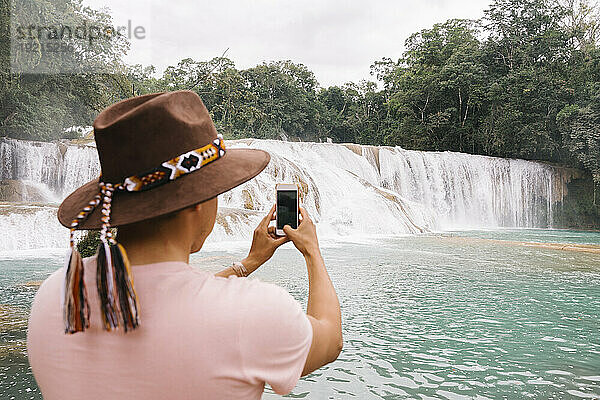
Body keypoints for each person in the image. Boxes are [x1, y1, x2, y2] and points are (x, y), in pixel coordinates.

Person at [26, 90, 342, 399]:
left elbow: (166, 302)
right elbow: (330, 338)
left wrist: (247, 263)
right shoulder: (253, 313)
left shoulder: (54, 297)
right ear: (197, 200)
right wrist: (312, 251)